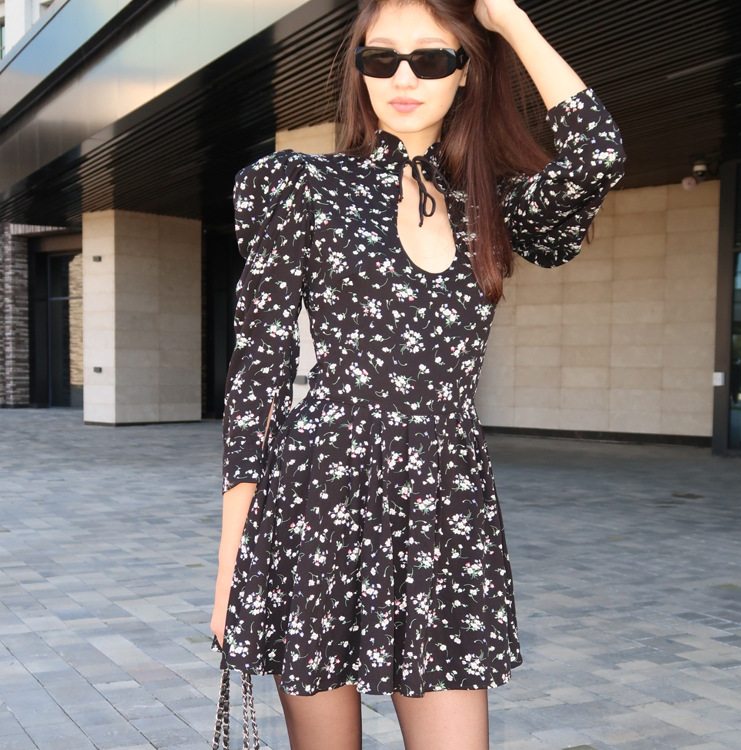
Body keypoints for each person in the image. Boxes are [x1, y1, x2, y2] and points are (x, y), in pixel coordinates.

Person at [211, 0, 625, 748]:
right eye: (381, 58)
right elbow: (257, 382)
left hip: (445, 506)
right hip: (319, 498)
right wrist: (231, 573)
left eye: (431, 58)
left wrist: (511, 22)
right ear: (358, 70)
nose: (403, 78)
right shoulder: (301, 185)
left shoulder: (490, 202)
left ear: (465, 73)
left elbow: (597, 155)